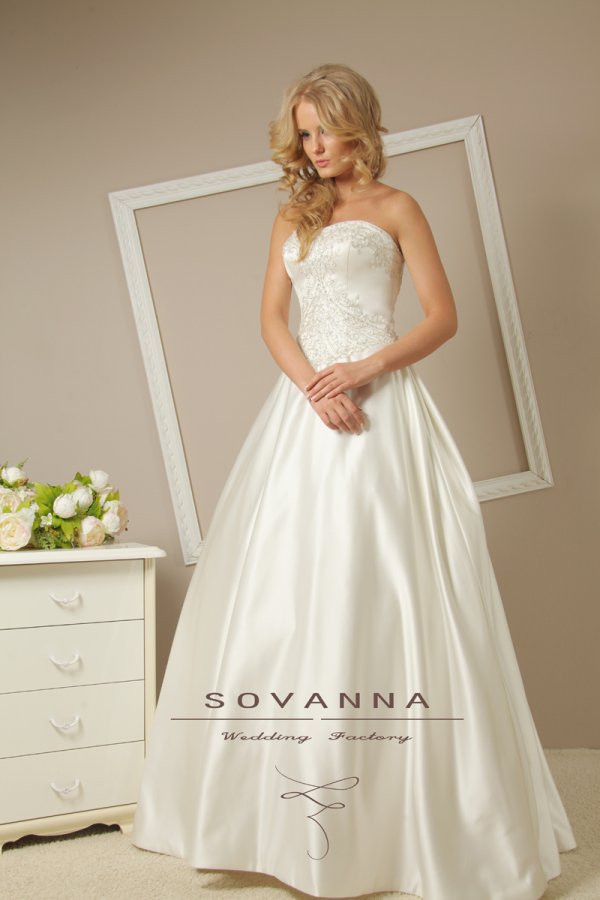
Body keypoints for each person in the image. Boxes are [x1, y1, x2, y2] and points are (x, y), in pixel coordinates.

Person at [130, 63, 577, 899]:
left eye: (326, 130)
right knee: (290, 589)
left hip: (383, 411)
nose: (314, 147)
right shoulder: (291, 214)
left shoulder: (398, 207)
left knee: (389, 583)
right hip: (307, 414)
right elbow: (271, 319)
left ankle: (412, 821)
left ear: (359, 127)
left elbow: (443, 317)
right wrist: (314, 387)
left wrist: (366, 369)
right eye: (303, 133)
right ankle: (283, 820)